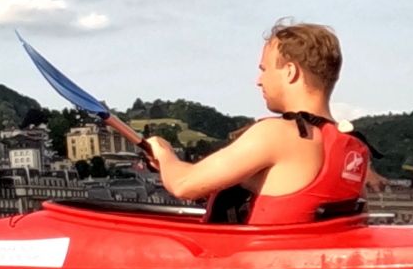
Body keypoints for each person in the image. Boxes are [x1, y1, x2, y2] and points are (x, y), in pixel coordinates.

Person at [145, 21, 372, 226]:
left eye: (264, 69)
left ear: (290, 72)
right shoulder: (352, 150)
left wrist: (164, 153)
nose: (258, 80)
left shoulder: (276, 135)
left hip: (249, 266)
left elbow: (184, 185)